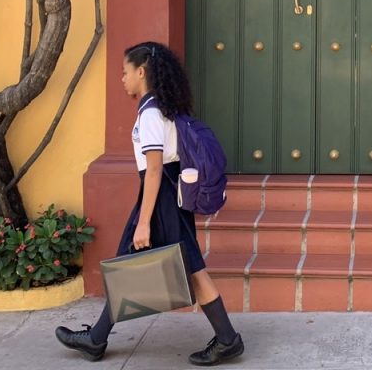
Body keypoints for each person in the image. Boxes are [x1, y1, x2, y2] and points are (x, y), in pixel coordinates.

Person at [55, 41, 243, 366]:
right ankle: (96, 338)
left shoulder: (152, 113)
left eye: (125, 72)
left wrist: (144, 221)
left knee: (186, 267)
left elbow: (154, 169)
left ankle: (227, 340)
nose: (122, 78)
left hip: (162, 197)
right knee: (145, 261)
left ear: (141, 72)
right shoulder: (160, 109)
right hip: (166, 196)